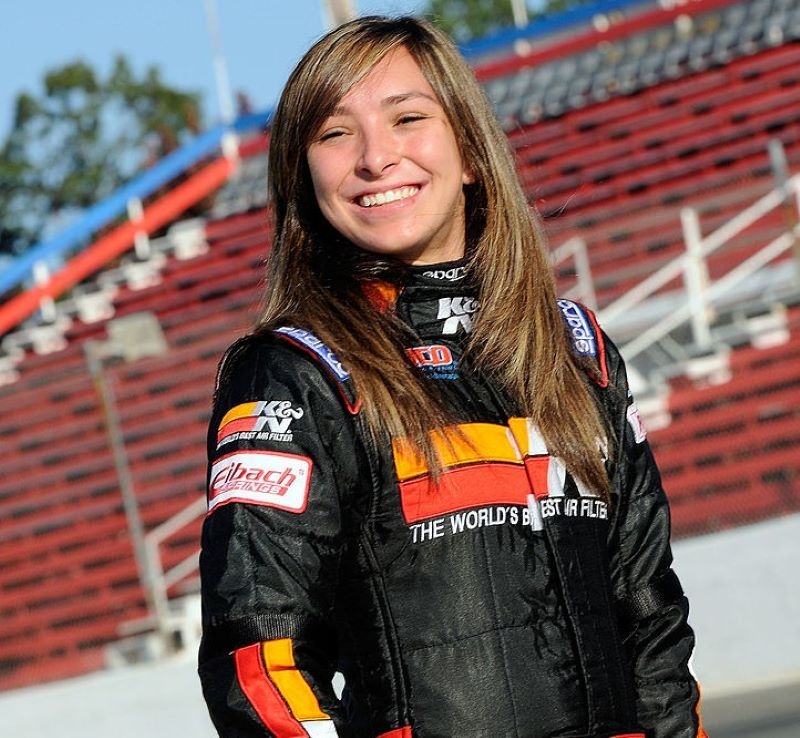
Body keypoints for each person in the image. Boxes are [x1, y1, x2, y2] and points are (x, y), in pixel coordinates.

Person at [198, 15, 708, 738]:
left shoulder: (577, 350)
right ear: (304, 177)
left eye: (408, 118)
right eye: (335, 134)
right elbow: (259, 660)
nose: (377, 157)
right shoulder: (295, 373)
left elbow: (651, 621)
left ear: (470, 152)